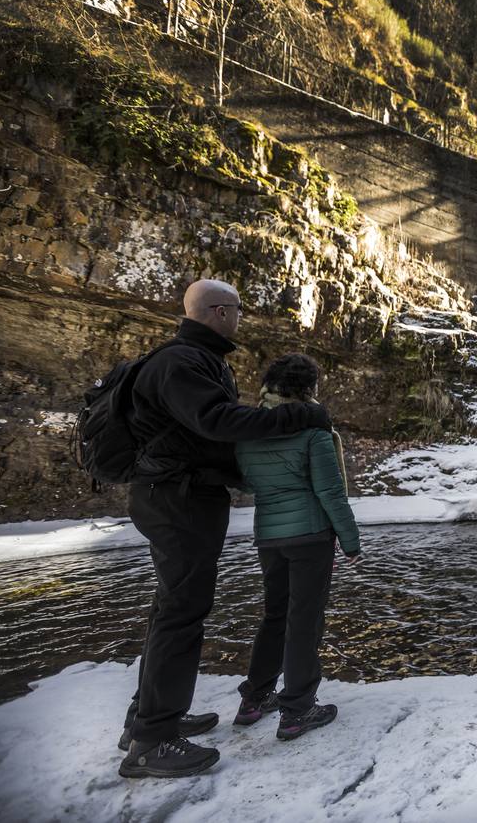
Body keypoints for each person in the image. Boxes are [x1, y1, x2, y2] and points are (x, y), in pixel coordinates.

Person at [119, 280, 332, 779]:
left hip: (180, 495)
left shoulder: (195, 360)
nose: (241, 318)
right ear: (218, 312)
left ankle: (147, 718)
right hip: (176, 498)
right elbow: (217, 422)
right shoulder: (182, 362)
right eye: (237, 310)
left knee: (172, 608)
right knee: (180, 613)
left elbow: (205, 436)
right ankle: (151, 741)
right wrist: (300, 415)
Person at [233, 353, 362, 741]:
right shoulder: (315, 431)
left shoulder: (250, 429)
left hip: (269, 537)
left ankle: (254, 700)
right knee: (304, 622)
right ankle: (297, 710)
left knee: (275, 616)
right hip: (310, 536)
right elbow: (330, 492)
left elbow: (248, 484)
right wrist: (350, 540)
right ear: (310, 389)